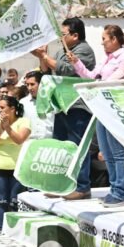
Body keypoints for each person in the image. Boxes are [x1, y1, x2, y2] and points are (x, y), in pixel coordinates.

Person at [68, 24, 124, 207]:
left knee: (118, 153)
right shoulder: (106, 59)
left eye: (104, 39)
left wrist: (102, 83)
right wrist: (76, 62)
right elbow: (90, 77)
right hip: (101, 109)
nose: (102, 43)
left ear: (114, 39)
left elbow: (118, 80)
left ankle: (121, 191)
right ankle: (114, 189)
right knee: (107, 152)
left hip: (116, 109)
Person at [33, 18, 96, 199]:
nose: (60, 37)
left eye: (64, 34)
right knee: (60, 147)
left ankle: (82, 187)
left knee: (77, 147)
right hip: (61, 105)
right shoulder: (61, 51)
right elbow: (47, 72)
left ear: (75, 35)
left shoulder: (84, 49)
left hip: (77, 105)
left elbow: (67, 70)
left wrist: (46, 57)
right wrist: (42, 58)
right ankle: (61, 185)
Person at [0, 95, 32, 228]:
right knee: (2, 201)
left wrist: (8, 128)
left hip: (17, 167)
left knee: (15, 201)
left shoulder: (24, 121)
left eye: (3, 108)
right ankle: (1, 228)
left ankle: (16, 230)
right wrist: (1, 128)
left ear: (12, 109)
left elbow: (19, 140)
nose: (0, 111)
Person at [21, 70, 54, 140]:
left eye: (32, 84)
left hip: (49, 143)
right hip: (29, 143)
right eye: (27, 85)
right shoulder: (23, 103)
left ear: (41, 84)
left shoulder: (53, 101)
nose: (29, 88)